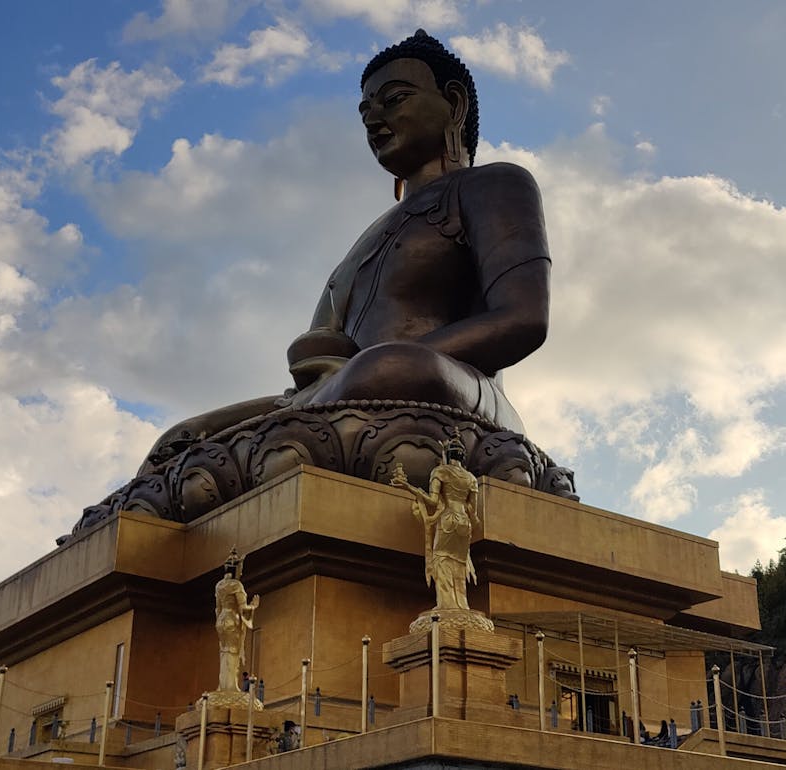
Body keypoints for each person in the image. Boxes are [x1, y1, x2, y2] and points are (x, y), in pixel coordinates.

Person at [140, 29, 550, 471]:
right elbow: (326, 358)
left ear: (455, 103)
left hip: (448, 389)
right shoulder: (369, 238)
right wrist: (319, 369)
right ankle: (273, 442)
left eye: (394, 99)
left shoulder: (493, 184)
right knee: (178, 441)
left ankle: (286, 440)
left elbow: (524, 319)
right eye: (365, 111)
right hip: (340, 398)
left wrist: (373, 366)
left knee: (389, 369)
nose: (374, 119)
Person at [391, 432, 479, 610]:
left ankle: (446, 605)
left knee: (441, 559)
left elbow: (432, 501)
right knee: (460, 563)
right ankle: (462, 606)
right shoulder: (471, 478)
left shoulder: (440, 472)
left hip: (447, 520)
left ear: (447, 454)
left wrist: (409, 487)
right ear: (463, 456)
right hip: (464, 523)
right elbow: (472, 511)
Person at [214, 550, 260, 692]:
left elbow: (218, 608)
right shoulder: (236, 586)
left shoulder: (219, 585)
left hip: (221, 620)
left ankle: (223, 684)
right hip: (232, 619)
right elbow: (242, 608)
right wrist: (253, 606)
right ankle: (230, 686)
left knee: (224, 651)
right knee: (232, 652)